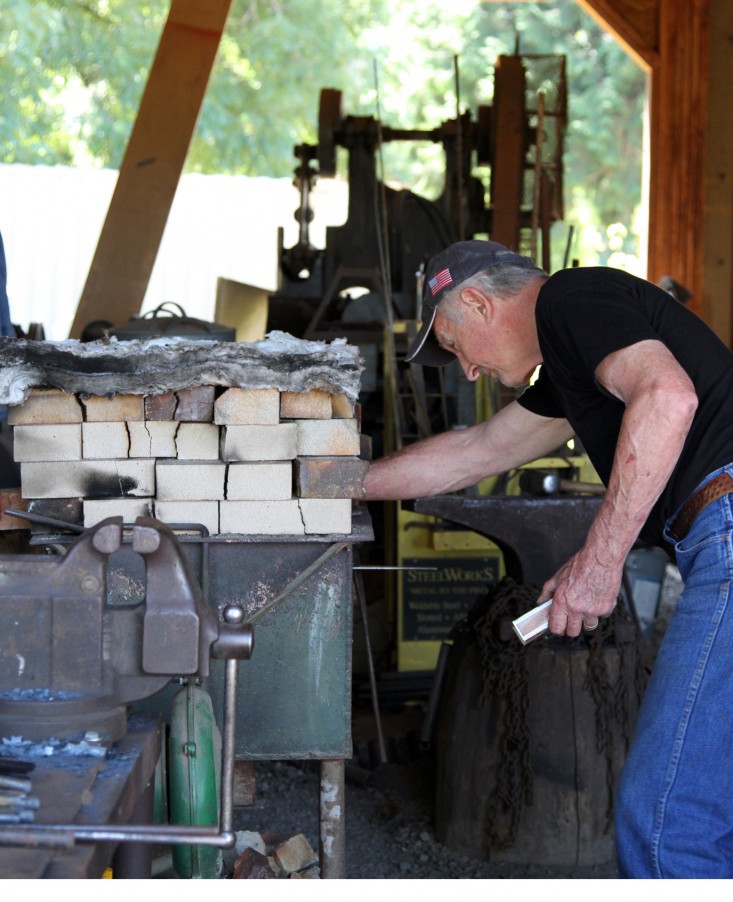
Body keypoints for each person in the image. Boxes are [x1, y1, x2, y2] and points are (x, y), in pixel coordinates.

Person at [361, 239, 733, 879]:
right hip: (713, 539)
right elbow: (476, 451)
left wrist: (599, 559)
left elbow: (669, 400)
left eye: (455, 346)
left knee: (668, 823)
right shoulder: (570, 362)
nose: (469, 371)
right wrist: (335, 482)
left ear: (477, 302)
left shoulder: (570, 298)